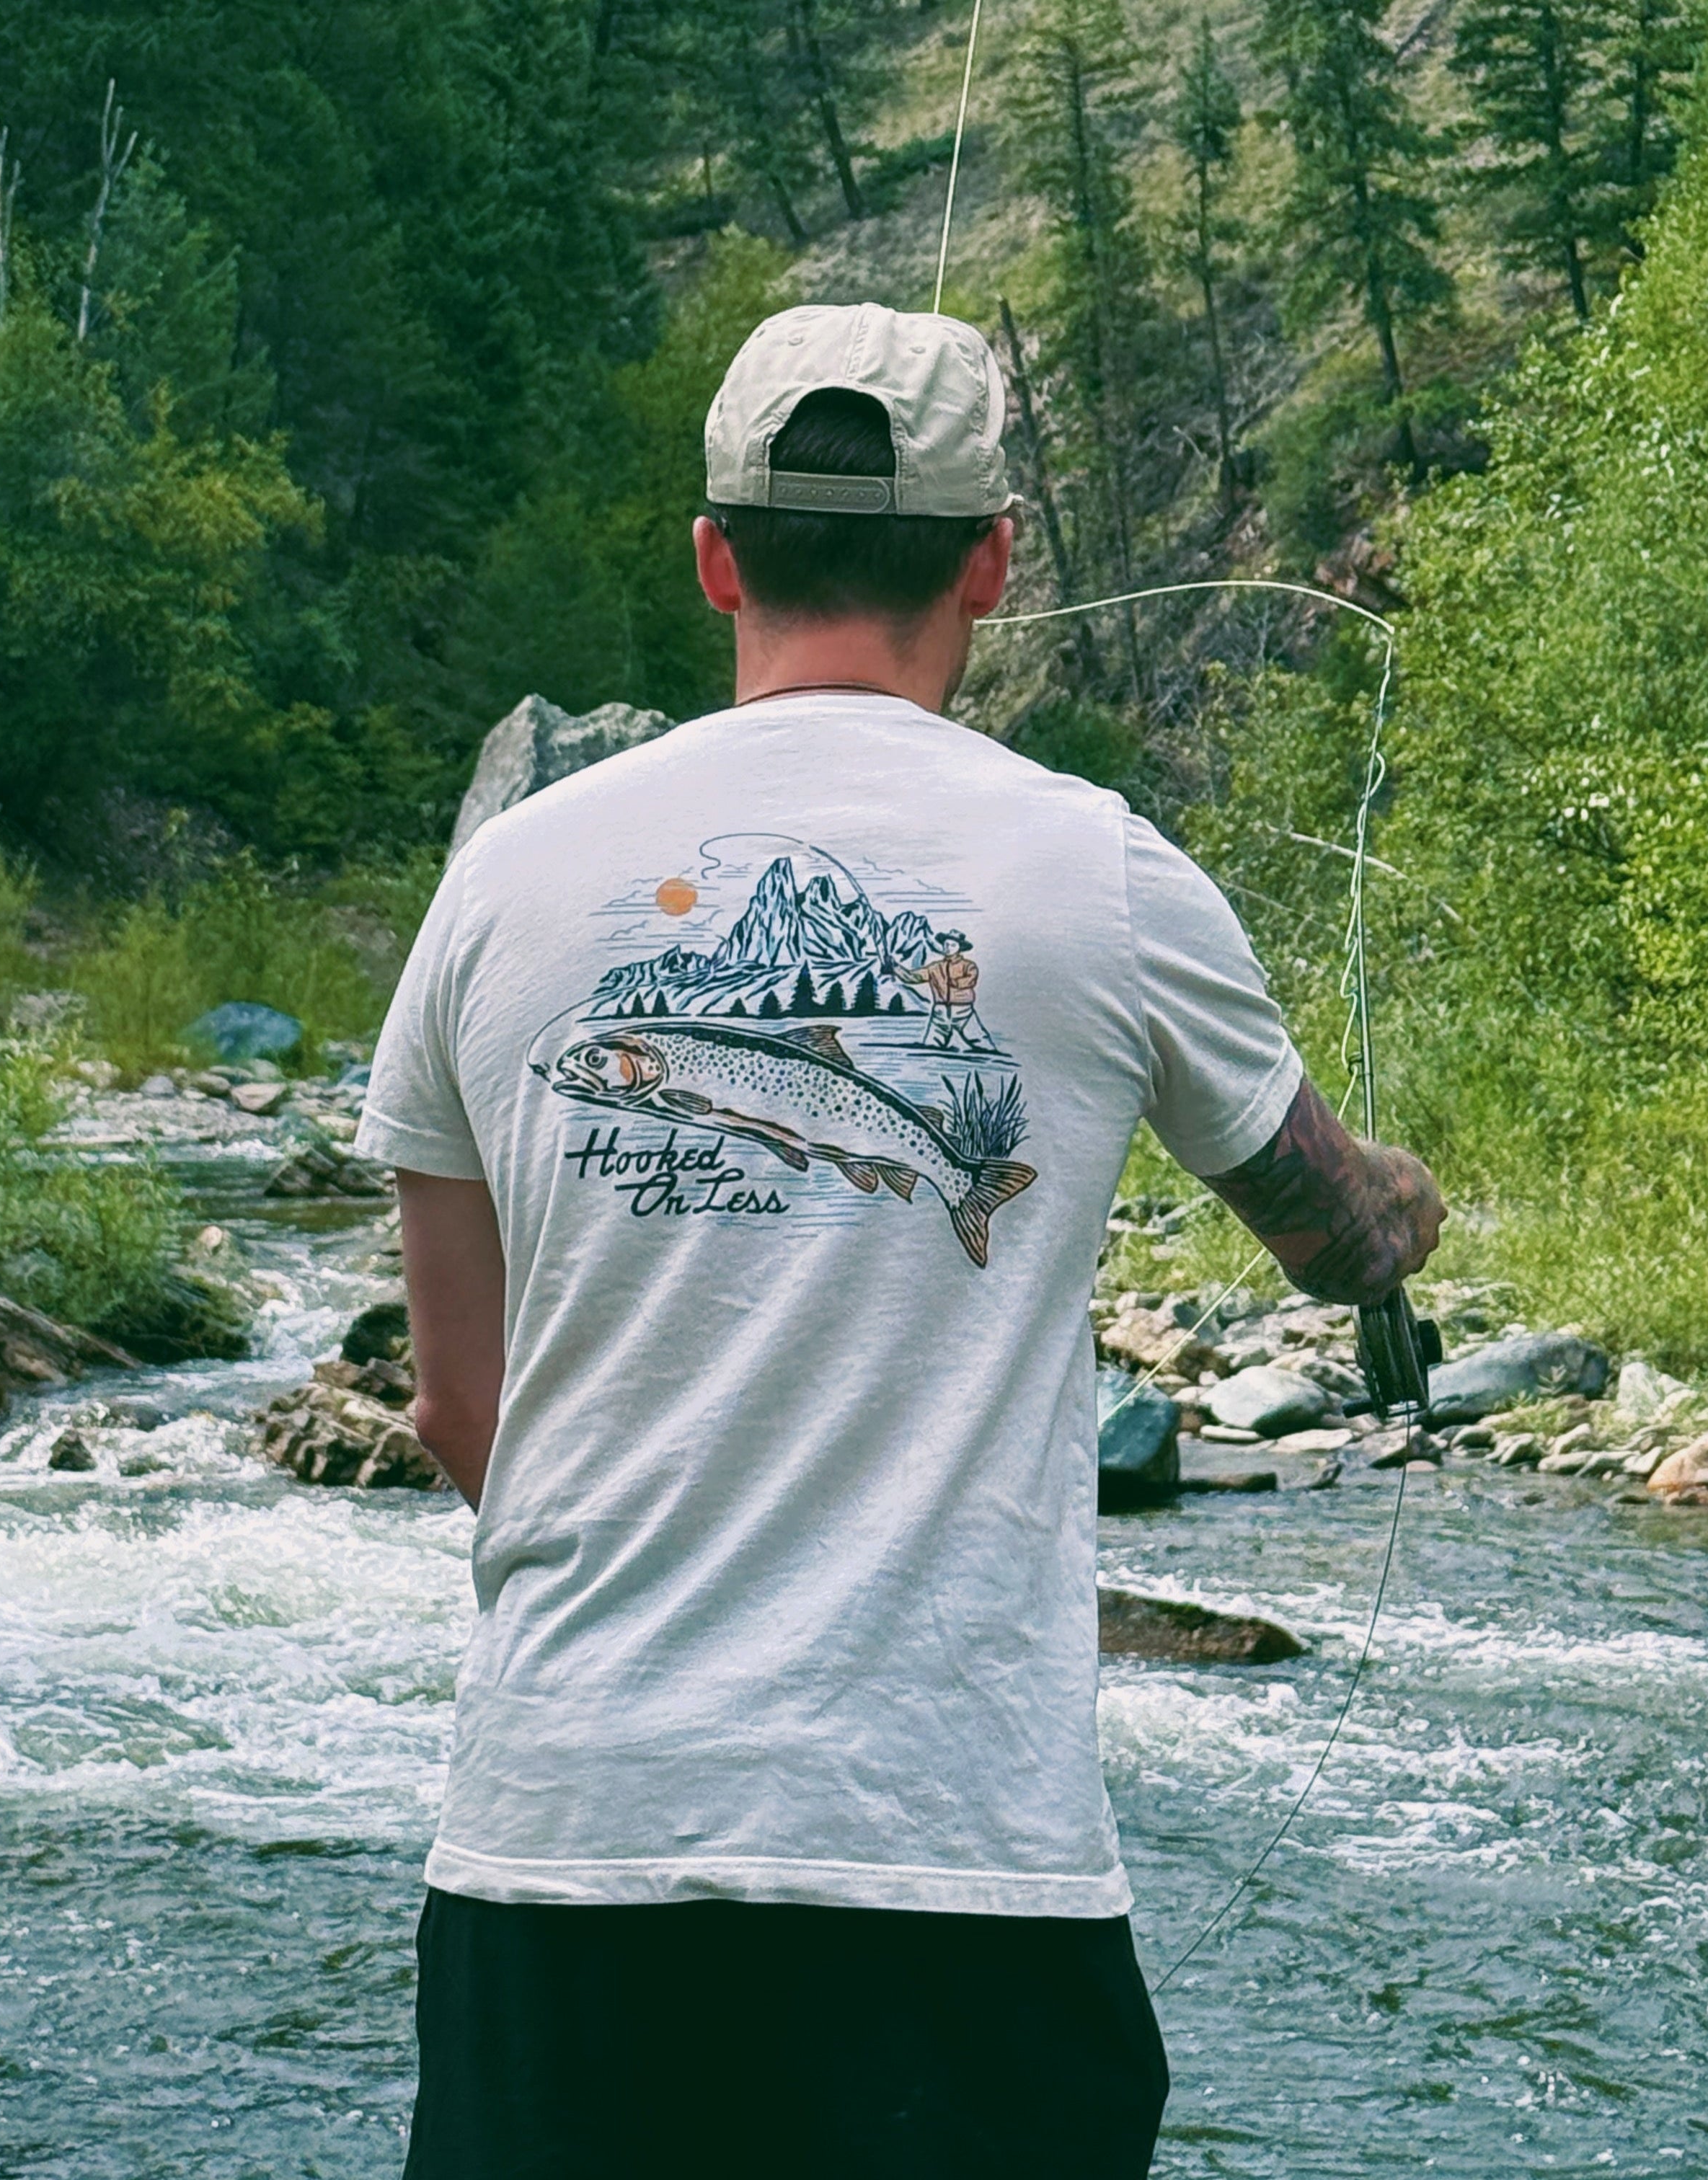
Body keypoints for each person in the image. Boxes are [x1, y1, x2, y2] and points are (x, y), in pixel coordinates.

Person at [359, 300, 1445, 2179]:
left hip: (564, 1845)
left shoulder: (501, 883)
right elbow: (1336, 1230)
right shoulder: (1106, 873)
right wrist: (1398, 1211)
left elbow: (465, 1408)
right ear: (994, 561)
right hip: (955, 1870)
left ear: (713, 554)